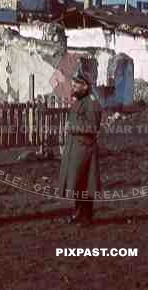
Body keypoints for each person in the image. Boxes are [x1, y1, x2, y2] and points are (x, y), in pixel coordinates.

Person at [59, 65, 103, 226]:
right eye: (74, 83)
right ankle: (78, 213)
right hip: (75, 148)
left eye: (77, 83)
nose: (74, 86)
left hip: (85, 149)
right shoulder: (80, 100)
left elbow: (93, 127)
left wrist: (72, 128)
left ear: (86, 85)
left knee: (86, 183)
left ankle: (86, 216)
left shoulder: (91, 103)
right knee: (77, 182)